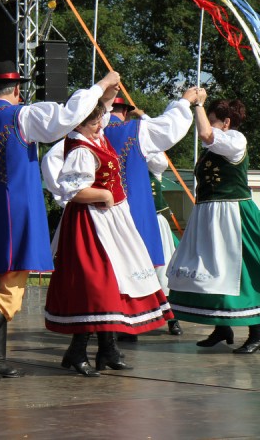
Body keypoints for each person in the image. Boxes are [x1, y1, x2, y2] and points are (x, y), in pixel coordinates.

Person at [0, 61, 121, 382]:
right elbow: (69, 117)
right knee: (12, 288)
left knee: (1, 281)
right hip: (16, 208)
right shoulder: (22, 115)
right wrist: (100, 85)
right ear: (17, 90)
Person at [44, 102, 172, 376]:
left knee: (116, 282)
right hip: (90, 223)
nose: (100, 126)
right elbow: (73, 191)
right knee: (95, 286)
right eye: (93, 122)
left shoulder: (96, 137)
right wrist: (103, 195)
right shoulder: (79, 149)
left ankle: (108, 348)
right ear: (78, 124)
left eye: (99, 121)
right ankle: (77, 350)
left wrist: (107, 92)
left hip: (110, 220)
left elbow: (101, 111)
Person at [167, 94, 260, 353]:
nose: (206, 124)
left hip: (232, 215)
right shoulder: (214, 148)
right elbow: (208, 137)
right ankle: (221, 326)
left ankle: (257, 332)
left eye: (212, 120)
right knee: (210, 271)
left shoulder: (235, 140)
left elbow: (207, 134)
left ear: (227, 122)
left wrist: (196, 104)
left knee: (240, 272)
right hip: (208, 215)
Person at [104, 94, 194, 342]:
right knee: (152, 270)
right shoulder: (135, 135)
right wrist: (143, 120)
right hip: (140, 217)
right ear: (123, 111)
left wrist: (142, 120)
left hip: (133, 216)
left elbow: (159, 157)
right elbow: (161, 137)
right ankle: (130, 321)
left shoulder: (98, 134)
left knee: (133, 270)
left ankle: (166, 318)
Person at [147, 152, 183, 335]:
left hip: (155, 221)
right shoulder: (120, 165)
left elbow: (160, 160)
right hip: (129, 223)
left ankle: (172, 319)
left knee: (163, 271)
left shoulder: (153, 165)